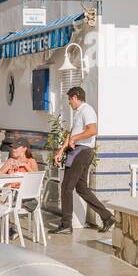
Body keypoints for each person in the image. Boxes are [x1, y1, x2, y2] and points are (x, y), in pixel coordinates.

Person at [53, 86, 115, 235]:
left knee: (66, 187)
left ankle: (66, 224)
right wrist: (61, 151)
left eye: (69, 99)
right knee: (81, 188)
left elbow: (92, 130)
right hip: (78, 151)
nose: (69, 102)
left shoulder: (87, 110)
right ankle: (107, 217)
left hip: (82, 152)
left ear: (75, 97)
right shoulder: (79, 113)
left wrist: (75, 138)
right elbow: (71, 133)